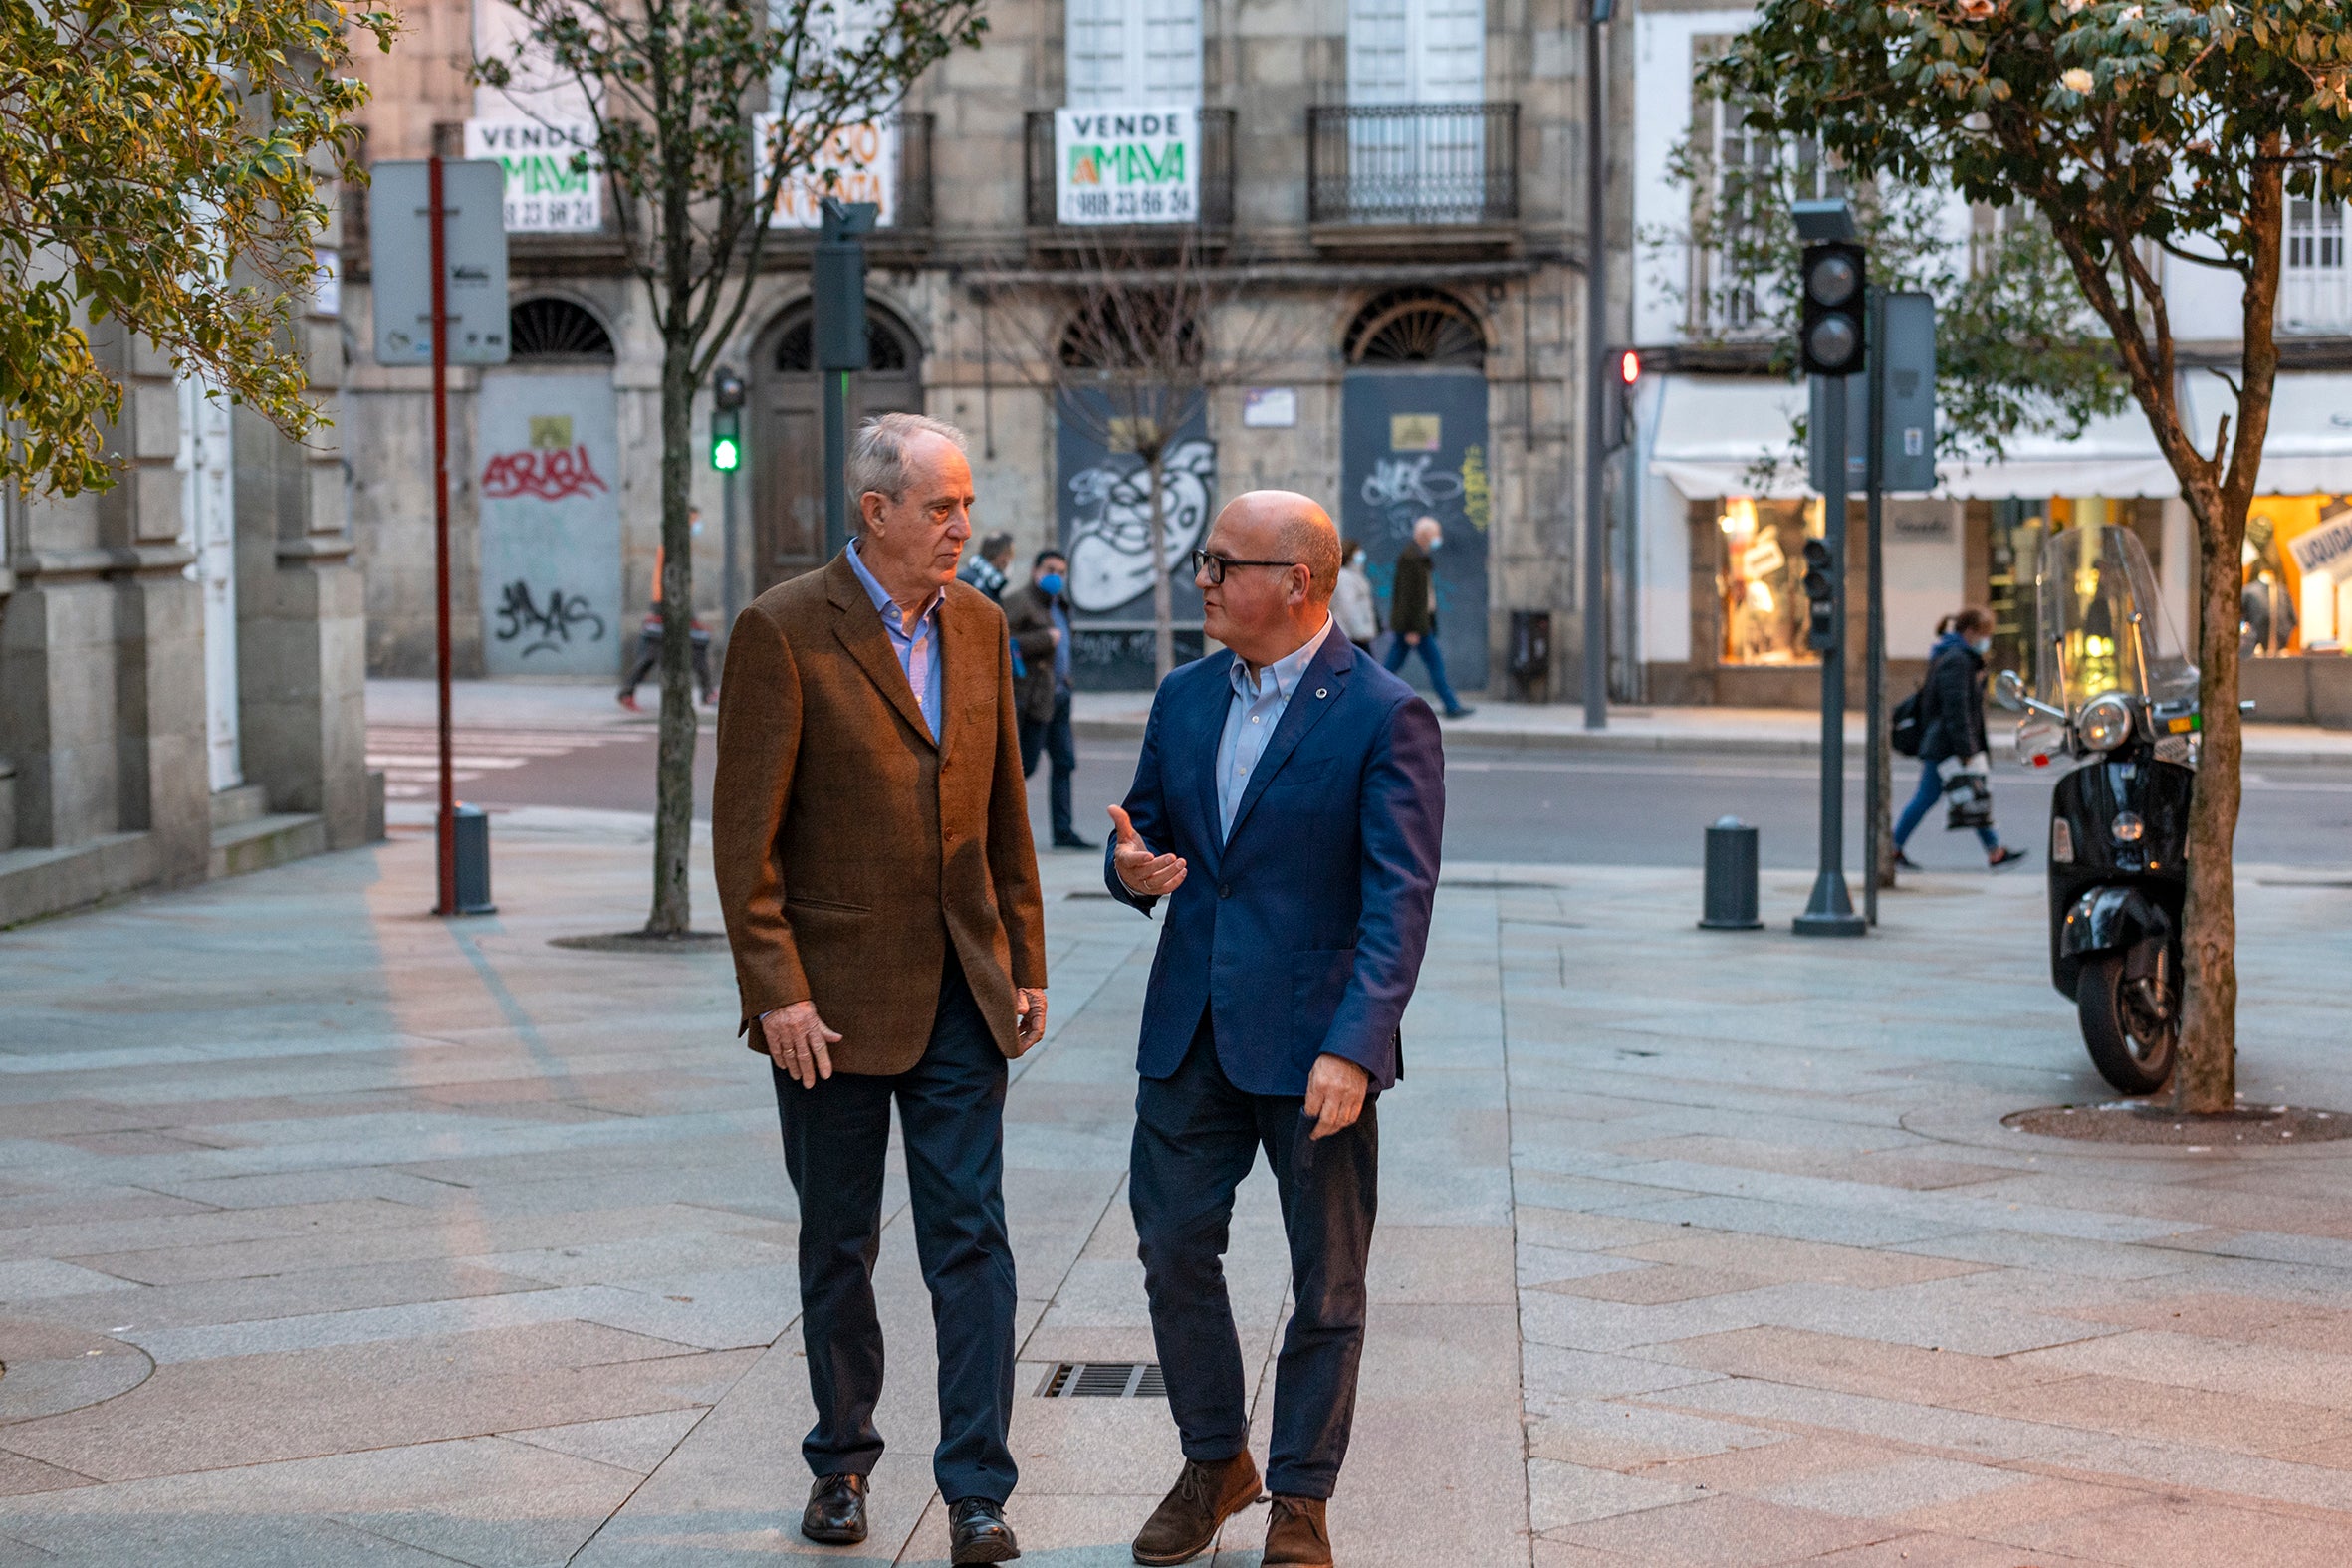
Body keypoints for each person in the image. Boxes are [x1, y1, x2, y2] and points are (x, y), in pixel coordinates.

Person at [712, 412, 1046, 1566]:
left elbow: (1005, 814)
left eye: (966, 506)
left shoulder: (980, 625)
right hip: (830, 1009)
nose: (961, 526)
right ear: (876, 512)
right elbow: (745, 843)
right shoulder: (783, 629)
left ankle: (977, 1492)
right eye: (941, 507)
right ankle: (841, 1464)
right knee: (838, 1243)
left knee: (972, 1242)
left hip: (960, 991)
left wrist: (1023, 964)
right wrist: (777, 992)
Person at [1104, 491, 1445, 1568]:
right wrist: (1129, 870)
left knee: (1327, 1280)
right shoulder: (1184, 695)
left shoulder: (1384, 713)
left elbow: (1400, 900)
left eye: (1221, 564)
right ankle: (1216, 1461)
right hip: (1191, 1029)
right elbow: (1143, 831)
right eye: (1203, 562)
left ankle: (1301, 1495)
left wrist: (1355, 1044)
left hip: (1314, 1048)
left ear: (1296, 582)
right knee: (1170, 1249)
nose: (1202, 580)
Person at [1894, 606, 2027, 871]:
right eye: (1984, 633)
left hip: (1947, 742)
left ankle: (1995, 851)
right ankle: (1893, 847)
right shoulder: (1957, 660)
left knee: (1969, 795)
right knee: (1950, 794)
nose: (1986, 640)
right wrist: (1966, 750)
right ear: (1970, 632)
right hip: (1947, 745)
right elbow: (1956, 708)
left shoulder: (1953, 656)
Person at [1004, 550, 1092, 850]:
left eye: (1061, 572)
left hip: (1059, 695)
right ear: (1035, 571)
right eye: (1050, 570)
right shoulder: (1019, 602)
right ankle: (1000, 831)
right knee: (1024, 766)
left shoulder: (1060, 605)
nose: (1056, 577)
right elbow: (1003, 641)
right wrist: (1044, 640)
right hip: (1033, 699)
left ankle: (1063, 833)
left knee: (1065, 762)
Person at [1383, 516, 1473, 718]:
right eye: (1436, 534)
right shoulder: (1411, 557)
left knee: (1392, 666)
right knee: (1433, 663)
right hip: (1415, 626)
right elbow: (1407, 596)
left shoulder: (1419, 556)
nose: (1438, 538)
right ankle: (1451, 705)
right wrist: (1412, 628)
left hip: (1418, 624)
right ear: (1425, 534)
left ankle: (1451, 705)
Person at [618, 541, 716, 709]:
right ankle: (707, 693)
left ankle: (627, 692)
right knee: (693, 651)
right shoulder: (674, 545)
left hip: (667, 608)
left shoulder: (677, 546)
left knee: (651, 656)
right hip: (666, 609)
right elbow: (667, 583)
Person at [1332, 538, 1379, 652]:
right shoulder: (1345, 578)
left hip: (1355, 634)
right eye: (1357, 552)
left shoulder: (1355, 575)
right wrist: (1360, 632)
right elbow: (1348, 607)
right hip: (1351, 635)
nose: (1361, 555)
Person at [960, 531, 1016, 602]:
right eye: (1009, 554)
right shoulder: (973, 583)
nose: (1009, 559)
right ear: (1000, 556)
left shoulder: (991, 584)